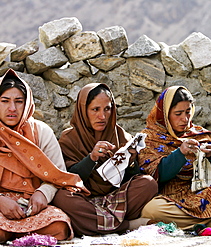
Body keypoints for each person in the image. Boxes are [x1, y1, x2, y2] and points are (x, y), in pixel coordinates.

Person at [52, 83, 158, 236]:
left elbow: (132, 178)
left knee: (148, 184)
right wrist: (92, 158)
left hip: (115, 199)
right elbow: (69, 177)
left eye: (107, 109)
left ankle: (90, 224)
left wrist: (131, 160)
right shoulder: (69, 139)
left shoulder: (121, 135)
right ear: (83, 111)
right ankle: (127, 225)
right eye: (95, 109)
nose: (102, 116)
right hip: (84, 199)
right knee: (62, 197)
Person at [0, 69, 89, 243]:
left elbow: (58, 174)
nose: (12, 108)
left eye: (19, 102)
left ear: (27, 105)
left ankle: (12, 234)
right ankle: (16, 234)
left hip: (31, 205)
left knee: (59, 227)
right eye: (4, 101)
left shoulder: (40, 132)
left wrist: (42, 194)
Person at [138, 86, 211, 230]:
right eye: (178, 113)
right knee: (150, 210)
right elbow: (154, 176)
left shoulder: (199, 134)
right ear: (164, 114)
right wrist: (180, 154)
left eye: (188, 112)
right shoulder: (149, 138)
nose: (184, 119)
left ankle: (189, 223)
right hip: (169, 199)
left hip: (199, 195)